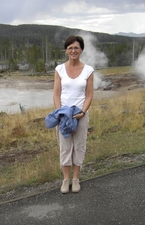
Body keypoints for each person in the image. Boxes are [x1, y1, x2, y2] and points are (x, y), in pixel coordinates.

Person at [53, 35, 94, 194]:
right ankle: (66, 180)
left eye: (76, 47)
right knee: (65, 147)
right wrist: (60, 113)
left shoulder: (88, 70)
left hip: (81, 115)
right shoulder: (59, 69)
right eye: (70, 48)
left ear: (81, 50)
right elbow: (56, 94)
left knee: (79, 146)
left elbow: (89, 94)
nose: (73, 50)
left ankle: (75, 179)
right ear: (66, 51)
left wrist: (83, 112)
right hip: (63, 115)